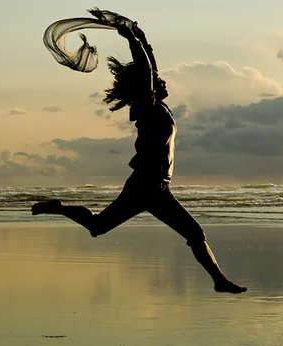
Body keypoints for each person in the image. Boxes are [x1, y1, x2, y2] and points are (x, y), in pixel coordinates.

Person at [32, 22, 247, 294]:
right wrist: (132, 39)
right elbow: (146, 68)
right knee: (189, 234)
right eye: (158, 81)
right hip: (145, 186)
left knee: (103, 227)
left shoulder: (159, 105)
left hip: (157, 188)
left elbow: (151, 66)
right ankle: (219, 281)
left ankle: (219, 281)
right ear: (150, 87)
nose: (163, 80)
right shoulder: (147, 105)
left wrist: (142, 37)